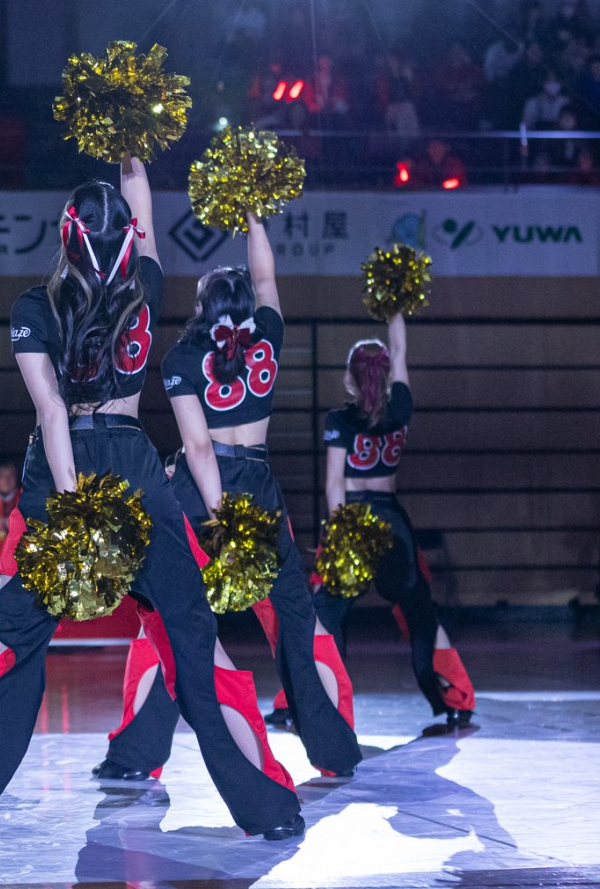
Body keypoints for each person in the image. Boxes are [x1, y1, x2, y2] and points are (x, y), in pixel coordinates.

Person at [0, 160, 303, 853]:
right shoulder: (147, 283)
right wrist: (133, 152)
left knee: (10, 648)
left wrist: (72, 509)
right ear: (130, 240)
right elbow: (146, 217)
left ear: (65, 236)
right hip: (137, 469)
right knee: (196, 645)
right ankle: (271, 805)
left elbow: (52, 414)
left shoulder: (33, 308)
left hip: (60, 470)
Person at [94, 210, 362, 784]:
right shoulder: (268, 336)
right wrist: (254, 216)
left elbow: (198, 448)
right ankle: (336, 751)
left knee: (168, 620)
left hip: (202, 495)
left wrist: (221, 521)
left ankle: (136, 757)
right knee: (296, 619)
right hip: (260, 488)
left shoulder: (182, 358)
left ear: (203, 307)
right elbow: (266, 280)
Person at [316, 314, 476, 732]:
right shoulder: (401, 407)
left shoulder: (339, 420)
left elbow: (334, 484)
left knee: (327, 613)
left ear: (350, 379)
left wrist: (340, 536)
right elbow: (401, 350)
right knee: (420, 612)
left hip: (352, 517)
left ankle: (329, 707)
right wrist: (394, 307)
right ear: (387, 375)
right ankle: (455, 699)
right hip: (392, 521)